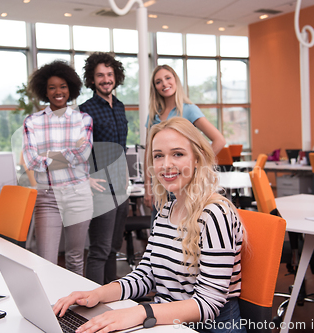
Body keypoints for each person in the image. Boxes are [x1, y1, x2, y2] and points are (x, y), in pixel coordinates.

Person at [53, 117, 246, 333]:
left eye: (178, 154)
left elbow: (208, 304)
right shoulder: (166, 210)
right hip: (167, 320)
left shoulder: (215, 214)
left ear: (197, 159)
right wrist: (97, 294)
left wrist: (140, 312)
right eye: (158, 156)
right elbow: (147, 274)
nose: (166, 165)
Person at [22, 60, 93, 276]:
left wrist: (49, 158)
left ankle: (76, 307)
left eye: (62, 86)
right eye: (52, 87)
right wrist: (69, 155)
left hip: (78, 194)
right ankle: (51, 307)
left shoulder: (83, 119)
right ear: (45, 90)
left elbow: (84, 154)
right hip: (48, 197)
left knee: (75, 258)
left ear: (70, 88)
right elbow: (32, 161)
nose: (58, 92)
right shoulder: (32, 121)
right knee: (46, 261)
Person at [144, 64, 226, 218]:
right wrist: (148, 187)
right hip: (161, 186)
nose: (164, 83)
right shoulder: (153, 116)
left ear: (176, 80)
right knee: (161, 231)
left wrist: (196, 161)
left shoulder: (188, 109)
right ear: (154, 87)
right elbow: (149, 152)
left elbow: (219, 140)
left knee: (187, 231)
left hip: (185, 184)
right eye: (158, 81)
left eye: (168, 78)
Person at [79, 52, 130, 285]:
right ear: (91, 79)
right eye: (100, 75)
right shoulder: (85, 110)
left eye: (109, 74)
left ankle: (112, 298)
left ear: (116, 77)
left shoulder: (120, 107)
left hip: (121, 186)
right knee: (99, 250)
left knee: (113, 248)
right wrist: (85, 178)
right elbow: (77, 151)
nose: (105, 79)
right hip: (101, 188)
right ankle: (94, 302)